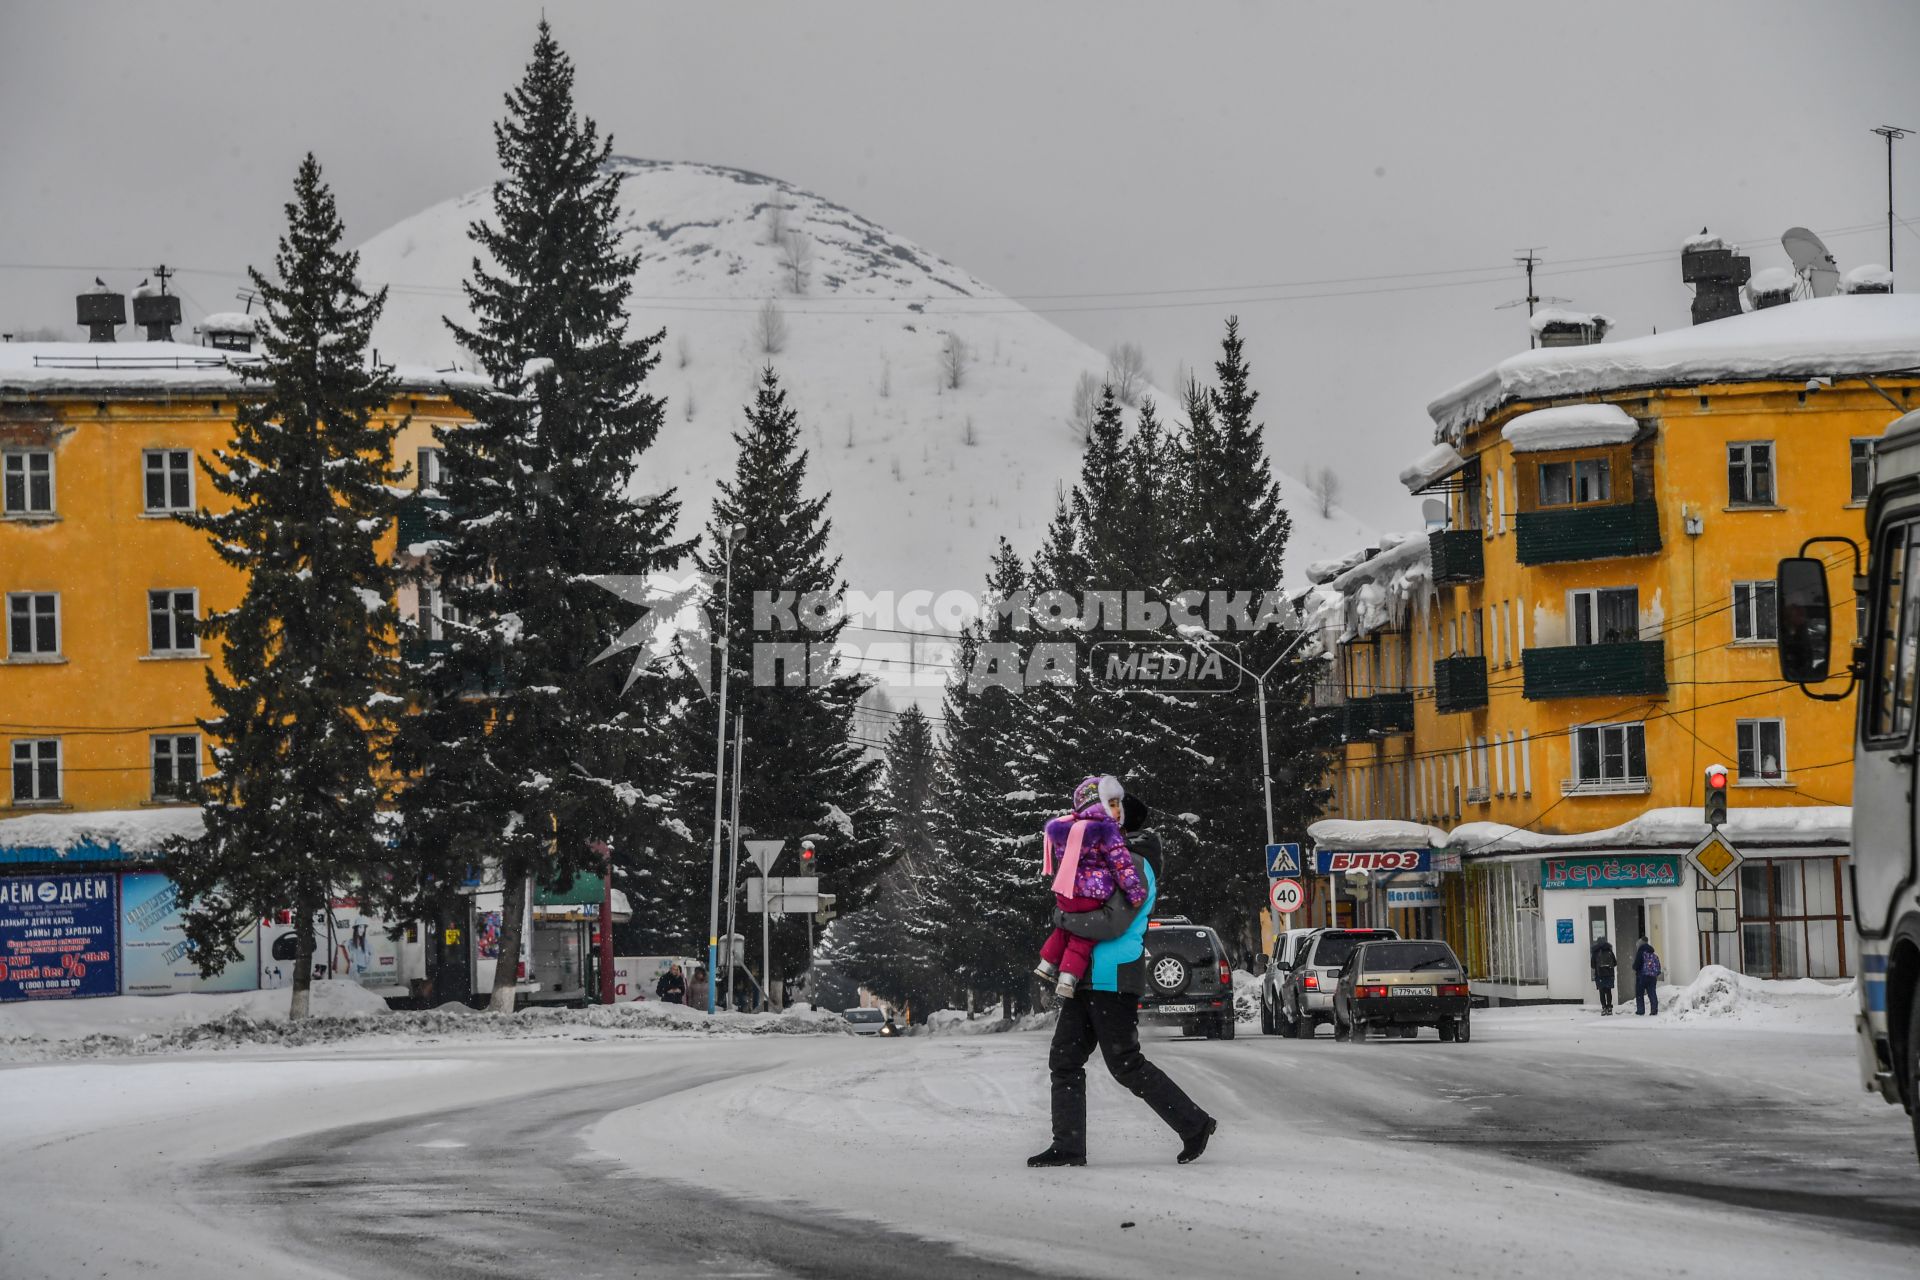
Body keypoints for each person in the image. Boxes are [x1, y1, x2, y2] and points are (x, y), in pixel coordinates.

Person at [1029, 791, 1217, 1169]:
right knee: (1064, 1059)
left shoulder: (1135, 863)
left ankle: (1194, 1123)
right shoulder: (1101, 857)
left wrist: (1063, 919)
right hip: (1084, 976)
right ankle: (1067, 1146)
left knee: (1125, 1063)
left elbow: (1112, 922)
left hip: (1113, 975)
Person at [1034, 775, 1148, 1000]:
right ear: (1100, 805)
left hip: (1066, 894)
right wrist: (1134, 891)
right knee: (1082, 938)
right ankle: (1068, 977)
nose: (1117, 811)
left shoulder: (1068, 829)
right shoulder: (1107, 832)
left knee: (1064, 929)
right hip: (1091, 895)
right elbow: (1121, 865)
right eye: (1112, 804)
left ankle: (1046, 963)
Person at [1632, 936, 1662, 1015]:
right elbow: (1658, 966)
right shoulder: (1652, 953)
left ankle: (1641, 1011)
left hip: (1642, 976)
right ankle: (1654, 1010)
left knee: (1639, 994)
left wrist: (1634, 967)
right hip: (1652, 977)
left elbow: (1636, 965)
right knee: (1652, 993)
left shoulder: (1640, 952)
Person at [1589, 936, 1617, 1015]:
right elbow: (1615, 963)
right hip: (1609, 974)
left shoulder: (1595, 952)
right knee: (1608, 991)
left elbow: (1592, 965)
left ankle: (1604, 1007)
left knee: (1602, 992)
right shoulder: (1609, 951)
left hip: (1599, 975)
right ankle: (1609, 1008)